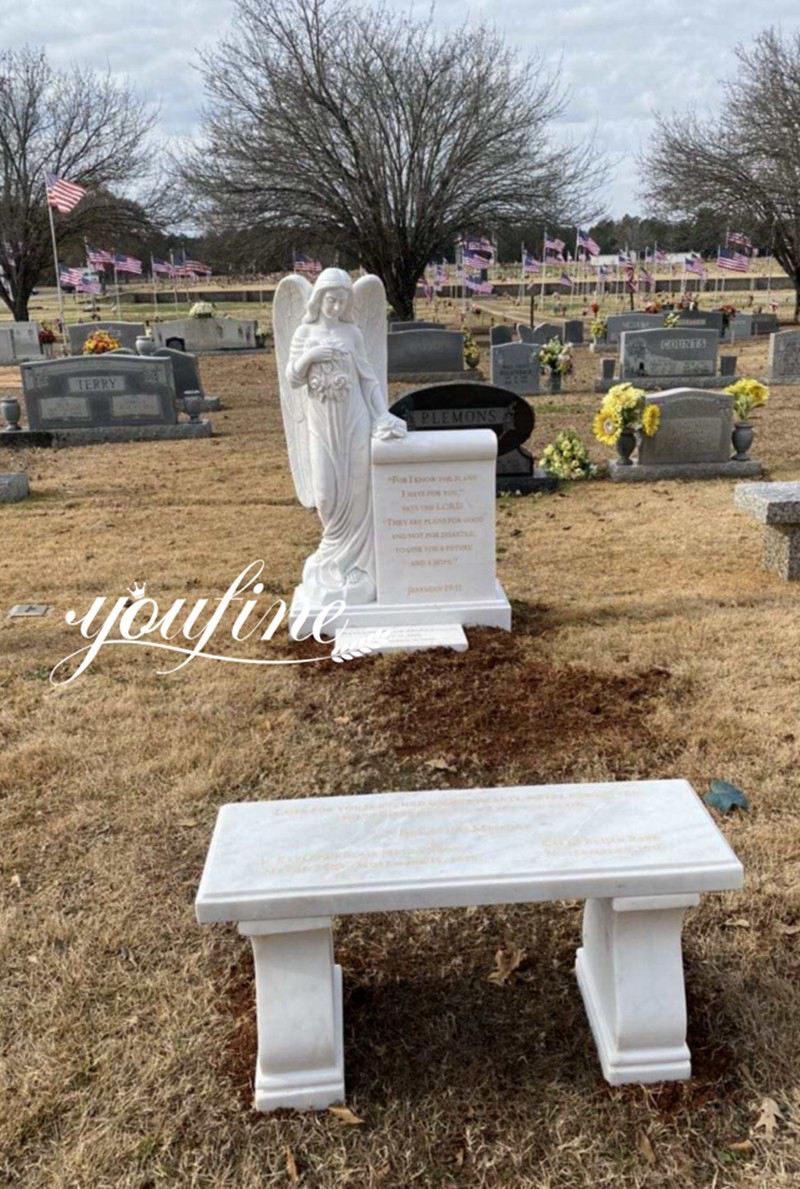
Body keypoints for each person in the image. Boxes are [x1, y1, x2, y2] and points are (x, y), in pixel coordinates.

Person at [286, 268, 405, 606]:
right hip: (320, 424)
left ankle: (354, 566)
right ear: (319, 297)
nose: (336, 307)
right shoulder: (304, 332)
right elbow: (292, 379)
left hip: (354, 420)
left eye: (341, 301)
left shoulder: (353, 333)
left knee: (357, 492)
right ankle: (330, 557)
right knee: (325, 495)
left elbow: (369, 380)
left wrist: (381, 414)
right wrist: (311, 357)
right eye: (331, 300)